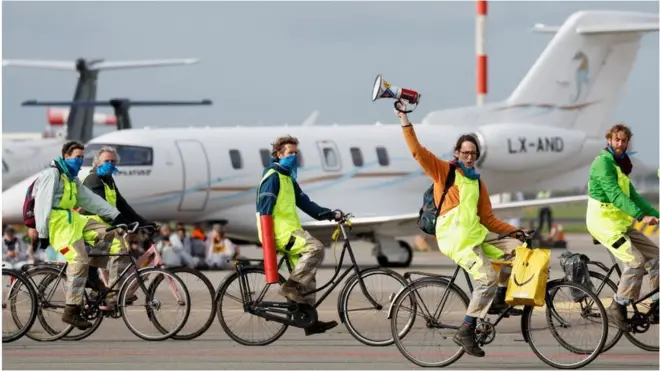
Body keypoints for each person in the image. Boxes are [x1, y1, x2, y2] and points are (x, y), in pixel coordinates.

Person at [396, 103, 526, 357]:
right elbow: (417, 152)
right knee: (485, 278)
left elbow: (488, 218)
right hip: (456, 241)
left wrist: (516, 231)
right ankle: (466, 330)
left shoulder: (477, 182)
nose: (469, 157)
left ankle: (499, 298)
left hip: (476, 238)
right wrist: (404, 119)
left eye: (473, 153)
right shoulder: (445, 171)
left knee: (519, 251)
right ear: (457, 153)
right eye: (465, 152)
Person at [32, 141, 133, 329]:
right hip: (58, 226)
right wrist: (43, 234)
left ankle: (92, 276)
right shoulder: (51, 175)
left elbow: (90, 200)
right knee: (79, 261)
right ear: (66, 157)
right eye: (77, 157)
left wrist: (117, 216)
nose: (80, 160)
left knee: (113, 234)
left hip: (74, 221)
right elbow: (42, 205)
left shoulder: (72, 179)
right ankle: (71, 310)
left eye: (81, 157)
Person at [256, 135, 343, 336]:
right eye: (290, 153)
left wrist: (331, 214)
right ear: (279, 155)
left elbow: (306, 204)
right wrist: (269, 242)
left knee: (308, 275)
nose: (294, 157)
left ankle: (308, 320)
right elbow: (264, 210)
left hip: (292, 231)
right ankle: (290, 287)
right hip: (278, 232)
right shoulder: (272, 177)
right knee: (316, 248)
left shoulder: (288, 178)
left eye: (296, 153)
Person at [586, 123, 659, 330]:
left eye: (624, 140)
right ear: (609, 140)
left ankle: (656, 304)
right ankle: (618, 307)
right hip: (603, 226)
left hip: (620, 224)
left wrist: (655, 214)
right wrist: (640, 216)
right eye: (617, 140)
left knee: (656, 256)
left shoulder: (620, 165)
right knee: (635, 262)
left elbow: (634, 196)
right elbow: (615, 196)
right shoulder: (602, 163)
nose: (620, 143)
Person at [80, 146, 152, 304]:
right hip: (89, 227)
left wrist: (142, 222)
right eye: (107, 161)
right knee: (119, 250)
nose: (110, 164)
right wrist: (125, 224)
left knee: (114, 254)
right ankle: (113, 295)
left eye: (113, 161)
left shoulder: (108, 180)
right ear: (97, 162)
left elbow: (122, 205)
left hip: (104, 228)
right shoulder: (93, 180)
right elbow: (103, 209)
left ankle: (98, 292)